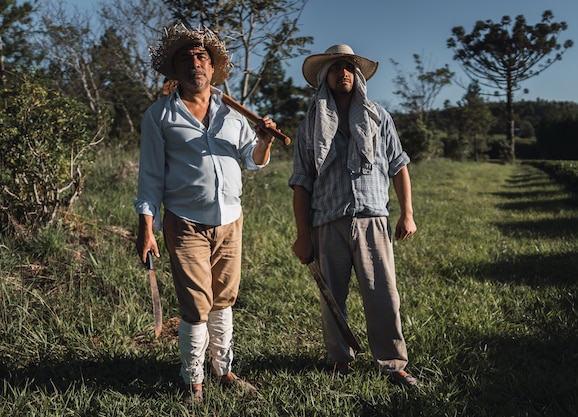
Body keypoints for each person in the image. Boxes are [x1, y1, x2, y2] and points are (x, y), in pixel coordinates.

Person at [134, 24, 277, 402]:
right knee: (197, 305)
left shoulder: (231, 114)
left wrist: (262, 140)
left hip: (230, 220)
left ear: (213, 68)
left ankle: (223, 369)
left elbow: (253, 160)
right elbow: (149, 177)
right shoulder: (160, 116)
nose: (195, 63)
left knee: (224, 299)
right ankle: (192, 380)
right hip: (184, 222)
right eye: (186, 58)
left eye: (202, 57)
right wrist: (146, 228)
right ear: (174, 70)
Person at [289, 44, 418, 387]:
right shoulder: (311, 124)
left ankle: (393, 363)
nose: (342, 73)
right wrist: (303, 235)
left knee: (383, 293)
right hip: (328, 220)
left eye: (348, 67)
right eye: (335, 68)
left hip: (372, 216)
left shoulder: (378, 116)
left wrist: (407, 213)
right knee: (333, 296)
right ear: (324, 78)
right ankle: (340, 362)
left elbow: (398, 166)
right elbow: (301, 182)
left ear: (357, 75)